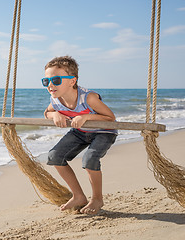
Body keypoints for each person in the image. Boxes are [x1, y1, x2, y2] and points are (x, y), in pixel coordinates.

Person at [42, 56, 117, 214]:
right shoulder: (55, 100)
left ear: (72, 81)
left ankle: (97, 199)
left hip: (104, 132)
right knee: (54, 156)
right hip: (81, 132)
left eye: (55, 80)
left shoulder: (88, 98)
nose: (50, 85)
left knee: (89, 159)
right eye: (46, 81)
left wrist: (86, 116)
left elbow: (111, 118)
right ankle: (78, 196)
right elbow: (47, 112)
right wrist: (54, 115)